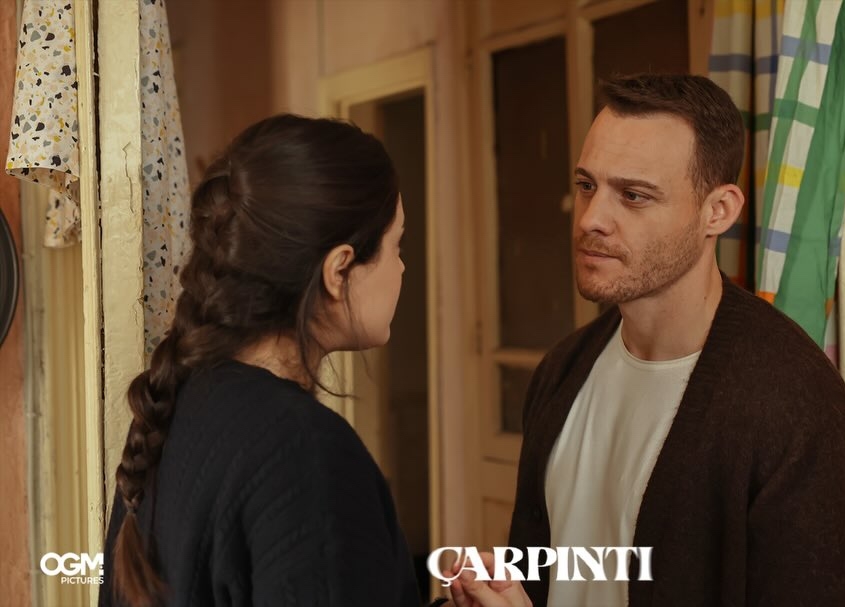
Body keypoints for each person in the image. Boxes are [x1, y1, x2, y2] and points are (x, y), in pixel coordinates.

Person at [100, 115, 528, 607]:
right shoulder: (306, 454)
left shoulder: (179, 402)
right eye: (397, 245)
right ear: (339, 270)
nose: (402, 266)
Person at [507, 74, 845, 606]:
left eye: (633, 195)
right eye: (587, 186)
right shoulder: (562, 372)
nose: (591, 220)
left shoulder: (795, 404)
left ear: (717, 211)